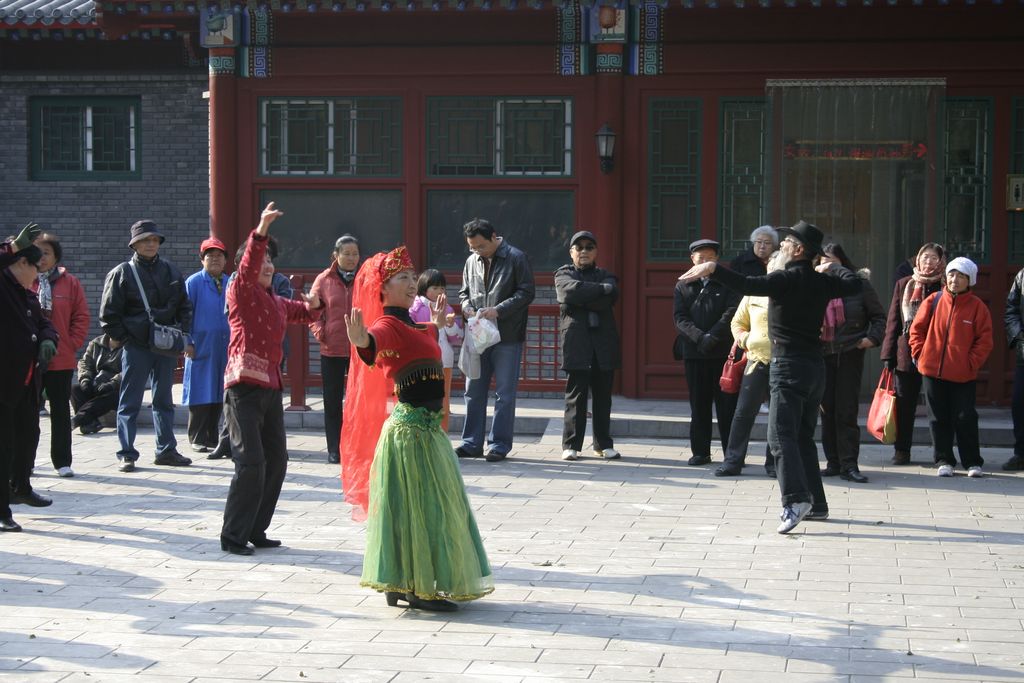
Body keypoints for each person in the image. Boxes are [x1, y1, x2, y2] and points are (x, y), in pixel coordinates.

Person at [679, 220, 863, 534]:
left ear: (799, 250)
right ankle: (817, 504)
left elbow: (747, 284)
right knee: (802, 437)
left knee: (780, 438)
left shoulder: (784, 278)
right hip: (815, 368)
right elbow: (856, 283)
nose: (781, 246)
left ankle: (795, 500)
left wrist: (713, 268)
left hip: (788, 366)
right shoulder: (822, 282)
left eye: (787, 242)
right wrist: (833, 268)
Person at [342, 246, 493, 611]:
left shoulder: (414, 322)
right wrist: (362, 341)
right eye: (402, 279)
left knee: (422, 508)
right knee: (422, 509)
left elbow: (420, 334)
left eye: (413, 277)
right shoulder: (388, 325)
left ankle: (401, 584)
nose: (412, 283)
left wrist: (437, 326)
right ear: (383, 288)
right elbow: (375, 342)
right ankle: (417, 590)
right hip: (411, 434)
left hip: (424, 431)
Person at [219, 202, 323, 556]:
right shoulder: (240, 291)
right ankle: (233, 535)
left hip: (269, 391)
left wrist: (316, 304)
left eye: (270, 262)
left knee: (277, 461)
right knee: (250, 463)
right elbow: (248, 265)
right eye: (261, 261)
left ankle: (255, 529)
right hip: (242, 389)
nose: (266, 266)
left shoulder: (276, 301)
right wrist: (261, 228)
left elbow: (303, 312)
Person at [99, 219, 194, 473]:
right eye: (145, 240)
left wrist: (183, 335)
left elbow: (184, 306)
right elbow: (109, 314)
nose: (151, 244)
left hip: (166, 344)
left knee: (163, 400)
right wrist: (126, 337)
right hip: (137, 346)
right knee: (129, 400)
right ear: (135, 244)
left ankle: (166, 449)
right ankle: (126, 453)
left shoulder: (171, 271)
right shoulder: (122, 273)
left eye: (154, 239)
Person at [207, 237, 294, 461]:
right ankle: (226, 440)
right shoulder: (235, 282)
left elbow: (281, 312)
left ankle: (266, 442)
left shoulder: (280, 281)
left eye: (268, 259)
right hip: (243, 353)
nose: (264, 264)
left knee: (268, 401)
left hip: (271, 352)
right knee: (236, 402)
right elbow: (232, 312)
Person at [457, 218, 535, 462]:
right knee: (473, 390)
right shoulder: (471, 261)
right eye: (472, 247)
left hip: (507, 334)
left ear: (493, 237)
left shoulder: (515, 257)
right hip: (478, 334)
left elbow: (526, 292)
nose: (476, 251)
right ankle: (471, 443)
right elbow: (463, 293)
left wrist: (499, 310)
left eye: (480, 246)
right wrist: (467, 307)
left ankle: (499, 445)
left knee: (505, 393)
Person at [909, 257, 993, 478]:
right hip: (932, 371)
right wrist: (919, 353)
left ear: (969, 280)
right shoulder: (934, 300)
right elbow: (916, 331)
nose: (955, 280)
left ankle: (972, 462)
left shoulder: (978, 308)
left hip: (963, 374)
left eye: (961, 276)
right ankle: (944, 459)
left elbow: (984, 341)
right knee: (937, 418)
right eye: (952, 275)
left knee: (965, 416)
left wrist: (970, 363)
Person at [1, 223, 58, 532]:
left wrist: (49, 338)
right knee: (3, 446)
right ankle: (1, 511)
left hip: (27, 382)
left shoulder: (26, 294)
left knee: (27, 437)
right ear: (21, 262)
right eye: (35, 267)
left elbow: (44, 323)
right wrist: (10, 249)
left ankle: (20, 486)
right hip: (4, 382)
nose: (38, 274)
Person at [817, 242, 886, 484]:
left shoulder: (858, 284)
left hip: (849, 352)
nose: (827, 266)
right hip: (822, 354)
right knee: (826, 411)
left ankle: (849, 464)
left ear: (842, 262)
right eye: (822, 261)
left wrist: (871, 339)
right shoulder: (815, 285)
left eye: (831, 262)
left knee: (846, 410)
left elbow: (879, 317)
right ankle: (833, 462)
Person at [554, 230, 622, 462]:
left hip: (603, 341)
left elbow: (610, 295)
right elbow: (568, 292)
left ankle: (603, 444)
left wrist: (585, 294)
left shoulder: (606, 274)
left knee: (603, 397)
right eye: (579, 247)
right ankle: (571, 444)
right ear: (571, 252)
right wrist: (599, 290)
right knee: (576, 395)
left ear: (596, 252)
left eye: (589, 247)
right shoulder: (563, 274)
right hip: (576, 342)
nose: (584, 251)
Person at [714, 252, 783, 478]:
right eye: (771, 267)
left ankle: (773, 464)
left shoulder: (789, 293)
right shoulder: (755, 293)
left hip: (783, 363)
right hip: (756, 360)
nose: (774, 271)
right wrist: (746, 340)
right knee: (743, 412)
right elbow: (737, 322)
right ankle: (733, 461)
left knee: (778, 416)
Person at [673, 239, 740, 466]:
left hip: (722, 353)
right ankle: (700, 452)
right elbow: (680, 318)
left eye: (709, 258)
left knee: (726, 406)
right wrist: (701, 338)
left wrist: (714, 336)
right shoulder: (683, 284)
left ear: (716, 260)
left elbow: (732, 313)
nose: (704, 262)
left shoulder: (727, 283)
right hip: (694, 352)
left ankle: (731, 454)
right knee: (699, 404)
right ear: (692, 259)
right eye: (700, 258)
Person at [880, 243, 946, 465]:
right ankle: (902, 451)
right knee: (904, 405)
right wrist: (888, 354)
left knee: (937, 406)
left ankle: (941, 454)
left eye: (933, 259)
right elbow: (893, 321)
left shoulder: (946, 285)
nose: (928, 262)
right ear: (917, 260)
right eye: (925, 258)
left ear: (941, 262)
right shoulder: (904, 284)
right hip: (906, 353)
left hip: (935, 353)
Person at [32, 232, 89, 478]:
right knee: (27, 413)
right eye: (37, 252)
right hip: (28, 358)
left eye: (46, 252)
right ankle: (26, 460)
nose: (41, 258)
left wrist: (70, 343)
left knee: (60, 412)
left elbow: (81, 317)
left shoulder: (70, 283)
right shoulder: (21, 280)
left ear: (55, 256)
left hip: (60, 358)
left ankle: (62, 461)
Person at [309, 234, 360, 464]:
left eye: (355, 254)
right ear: (336, 255)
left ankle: (356, 446)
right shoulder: (324, 279)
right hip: (333, 348)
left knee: (359, 399)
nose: (351, 258)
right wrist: (322, 332)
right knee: (332, 400)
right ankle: (334, 448)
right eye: (347, 254)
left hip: (360, 347)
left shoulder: (365, 278)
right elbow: (313, 313)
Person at [409, 268, 463, 433]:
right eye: (435, 288)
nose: (439, 291)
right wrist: (434, 324)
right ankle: (424, 434)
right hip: (422, 362)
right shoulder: (415, 308)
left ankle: (443, 435)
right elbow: (413, 334)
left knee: (443, 400)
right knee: (424, 400)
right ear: (424, 288)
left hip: (444, 360)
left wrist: (451, 325)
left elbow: (457, 338)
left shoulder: (448, 310)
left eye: (442, 288)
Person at [71, 334, 123, 435]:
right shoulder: (96, 343)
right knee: (75, 389)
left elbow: (130, 371)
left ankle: (78, 419)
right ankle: (90, 423)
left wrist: (112, 384)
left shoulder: (130, 346)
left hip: (117, 388)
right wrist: (85, 379)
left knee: (113, 396)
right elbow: (84, 363)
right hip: (97, 383)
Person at [1005, 264, 1024, 472]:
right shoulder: (1022, 276)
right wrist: (1019, 336)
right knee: (1020, 404)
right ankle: (1021, 453)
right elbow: (1011, 310)